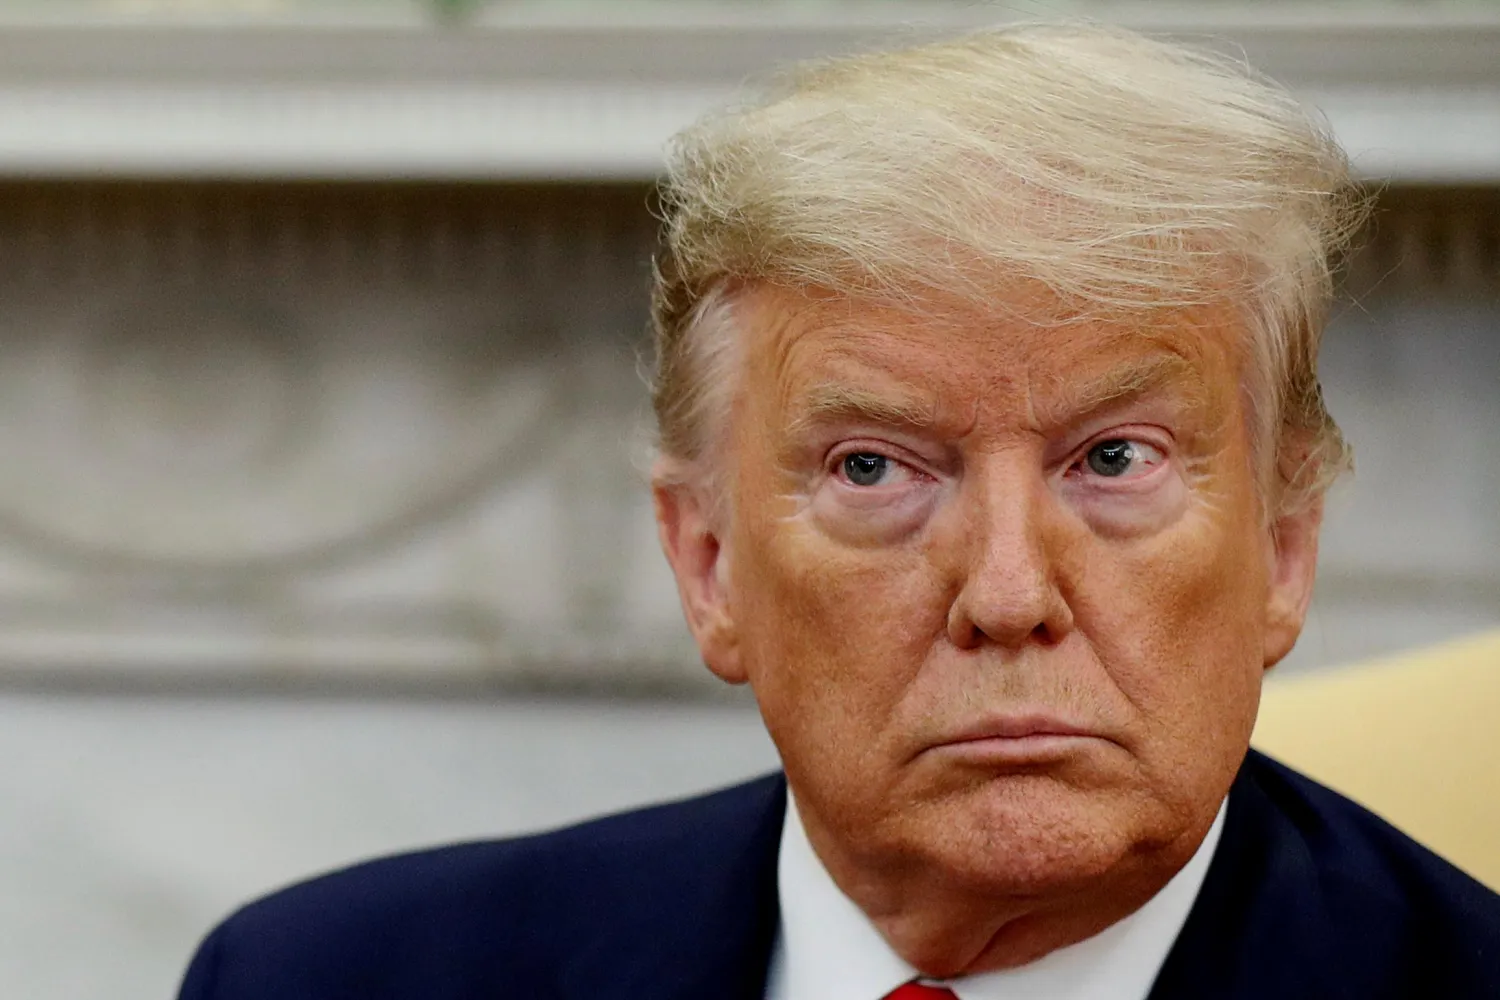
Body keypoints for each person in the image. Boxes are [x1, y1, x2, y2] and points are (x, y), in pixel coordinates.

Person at [177, 22, 1500, 1000]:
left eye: (1114, 460)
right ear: (707, 564)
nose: (1007, 596)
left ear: (1282, 547)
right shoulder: (327, 978)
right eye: (875, 470)